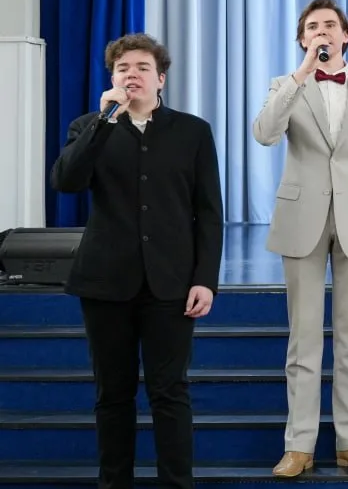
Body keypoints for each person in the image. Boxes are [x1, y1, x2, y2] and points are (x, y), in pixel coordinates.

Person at [50, 33, 223, 489]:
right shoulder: (90, 126)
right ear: (112, 78)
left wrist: (205, 279)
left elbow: (209, 212)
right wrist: (103, 122)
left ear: (160, 78)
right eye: (123, 68)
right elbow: (66, 182)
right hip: (105, 281)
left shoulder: (193, 131)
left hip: (172, 282)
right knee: (112, 395)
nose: (132, 75)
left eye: (143, 67)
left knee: (170, 393)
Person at [252, 0, 348, 477]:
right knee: (304, 338)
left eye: (330, 25)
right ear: (302, 38)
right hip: (302, 220)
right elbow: (264, 133)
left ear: (345, 35)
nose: (322, 32)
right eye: (313, 27)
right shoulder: (285, 85)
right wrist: (299, 76)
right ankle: (299, 445)